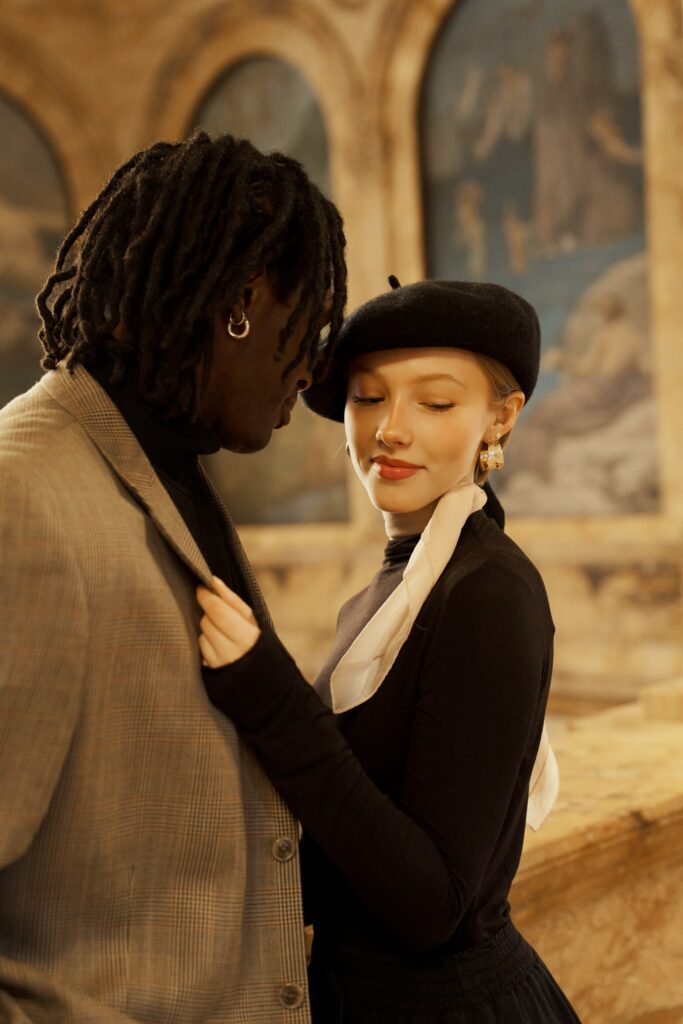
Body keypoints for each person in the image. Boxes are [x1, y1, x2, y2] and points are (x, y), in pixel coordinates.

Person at [0, 131, 346, 1023]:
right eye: (300, 328)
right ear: (237, 302)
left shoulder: (167, 462)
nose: (308, 370)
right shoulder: (21, 492)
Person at [195, 279, 581, 1022]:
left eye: (434, 403)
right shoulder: (396, 583)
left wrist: (272, 700)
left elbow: (431, 904)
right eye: (368, 398)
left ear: (500, 417)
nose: (390, 430)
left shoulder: (487, 593)